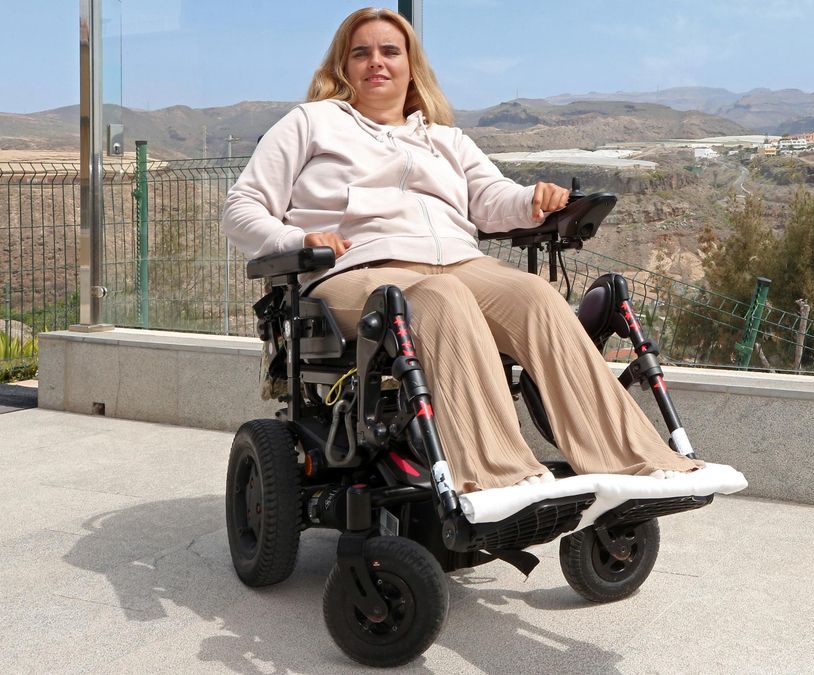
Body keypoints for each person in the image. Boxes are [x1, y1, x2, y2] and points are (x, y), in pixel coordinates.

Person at [221, 7, 700, 493]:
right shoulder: (311, 122)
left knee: (536, 296)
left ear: (411, 67)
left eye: (390, 51)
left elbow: (491, 197)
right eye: (361, 53)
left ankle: (636, 462)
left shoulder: (445, 139)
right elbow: (241, 207)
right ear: (343, 67)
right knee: (440, 298)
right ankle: (500, 477)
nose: (376, 61)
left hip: (459, 261)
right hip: (357, 267)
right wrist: (298, 240)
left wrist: (532, 200)